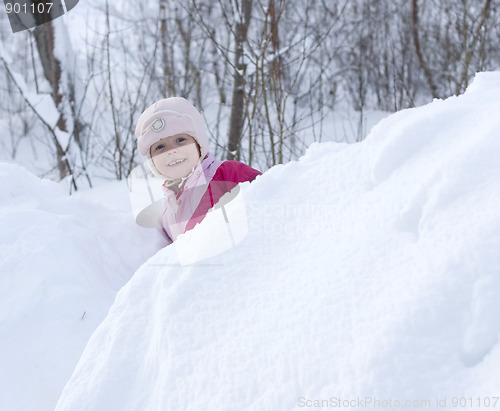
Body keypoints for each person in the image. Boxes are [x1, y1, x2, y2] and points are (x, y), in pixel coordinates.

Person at [135, 97, 261, 244]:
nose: (171, 151)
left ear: (198, 142)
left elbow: (277, 197)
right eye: (160, 147)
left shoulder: (229, 173)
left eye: (180, 140)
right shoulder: (167, 210)